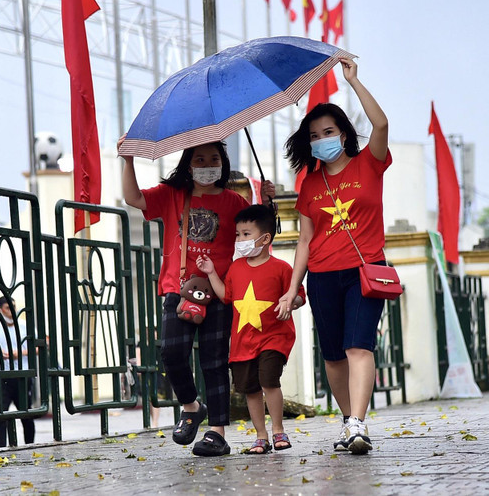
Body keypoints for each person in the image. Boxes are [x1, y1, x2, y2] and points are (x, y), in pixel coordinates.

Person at [119, 136, 274, 457]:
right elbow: (133, 198)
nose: (207, 166)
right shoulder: (174, 195)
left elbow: (258, 236)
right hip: (178, 289)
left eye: (213, 159)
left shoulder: (234, 202)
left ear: (223, 163)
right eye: (199, 160)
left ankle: (217, 433)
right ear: (188, 164)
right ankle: (191, 407)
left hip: (219, 291)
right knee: (172, 353)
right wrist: (129, 160)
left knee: (214, 363)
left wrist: (268, 205)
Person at [278, 58, 389, 455]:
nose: (322, 139)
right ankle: (348, 421)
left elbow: (381, 125)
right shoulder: (308, 184)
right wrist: (292, 289)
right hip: (322, 275)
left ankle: (359, 422)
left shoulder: (369, 164)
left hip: (365, 271)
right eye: (314, 135)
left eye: (328, 131)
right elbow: (305, 241)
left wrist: (354, 81)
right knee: (333, 355)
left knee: (359, 346)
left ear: (343, 134)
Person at [196, 204, 305, 454]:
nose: (240, 239)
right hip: (243, 342)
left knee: (269, 381)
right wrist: (212, 273)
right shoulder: (236, 268)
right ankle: (261, 435)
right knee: (250, 389)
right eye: (238, 234)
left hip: (274, 338)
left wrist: (289, 302)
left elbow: (298, 295)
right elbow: (226, 296)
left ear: (265, 238)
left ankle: (278, 430)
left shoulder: (282, 268)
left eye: (246, 234)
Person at [0, 297, 36, 447]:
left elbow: (38, 348)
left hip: (22, 375)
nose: (12, 311)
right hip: (2, 376)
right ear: (0, 310)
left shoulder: (25, 326)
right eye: (8, 308)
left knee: (26, 415)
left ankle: (29, 445)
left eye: (13, 307)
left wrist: (20, 353)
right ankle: (0, 449)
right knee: (0, 415)